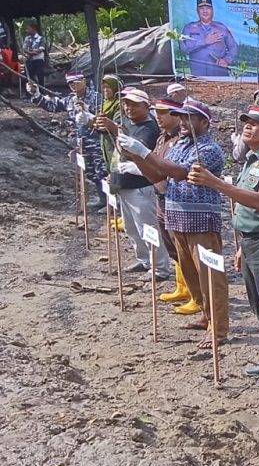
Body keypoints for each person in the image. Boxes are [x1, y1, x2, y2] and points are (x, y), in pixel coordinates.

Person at [188, 104, 259, 389]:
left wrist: (215, 183)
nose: (247, 127)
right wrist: (240, 246)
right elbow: (245, 211)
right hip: (252, 241)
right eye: (246, 122)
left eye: (255, 123)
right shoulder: (253, 159)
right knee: (258, 304)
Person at [119, 99, 229, 350]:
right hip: (176, 217)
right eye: (181, 117)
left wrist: (143, 152)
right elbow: (159, 175)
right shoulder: (180, 144)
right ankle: (205, 314)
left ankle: (219, 328)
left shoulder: (208, 149)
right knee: (191, 274)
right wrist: (137, 157)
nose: (183, 122)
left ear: (204, 122)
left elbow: (180, 173)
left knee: (210, 277)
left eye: (190, 118)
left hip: (200, 221)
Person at [95, 88, 171, 280]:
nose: (129, 108)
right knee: (131, 227)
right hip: (125, 185)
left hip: (141, 186)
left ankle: (160, 269)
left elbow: (135, 151)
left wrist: (113, 128)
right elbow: (118, 153)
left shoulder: (149, 128)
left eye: (134, 104)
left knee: (148, 229)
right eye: (126, 104)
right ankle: (145, 260)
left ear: (146, 106)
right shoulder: (128, 123)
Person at [27, 73, 106, 209]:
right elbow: (51, 106)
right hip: (82, 142)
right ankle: (102, 200)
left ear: (84, 81)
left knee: (103, 172)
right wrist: (36, 94)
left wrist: (88, 114)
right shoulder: (70, 100)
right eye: (71, 83)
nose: (74, 85)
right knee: (91, 172)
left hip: (98, 141)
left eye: (77, 82)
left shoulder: (97, 98)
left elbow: (105, 117)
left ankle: (111, 204)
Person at [149, 97, 194, 311]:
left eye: (163, 112)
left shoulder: (182, 141)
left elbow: (172, 169)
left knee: (184, 248)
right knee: (173, 247)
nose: (158, 117)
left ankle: (196, 293)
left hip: (176, 199)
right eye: (156, 112)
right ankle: (182, 287)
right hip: (161, 197)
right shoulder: (162, 138)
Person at [180, 0, 239, 78]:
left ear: (212, 10)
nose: (205, 11)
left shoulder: (222, 28)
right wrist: (204, 41)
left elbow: (233, 47)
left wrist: (227, 60)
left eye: (208, 8)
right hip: (198, 76)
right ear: (197, 11)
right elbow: (183, 47)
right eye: (201, 8)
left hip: (219, 74)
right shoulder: (189, 28)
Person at [21, 20, 47, 87]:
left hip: (38, 60)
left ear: (33, 29)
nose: (27, 30)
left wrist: (30, 53)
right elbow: (24, 48)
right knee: (27, 76)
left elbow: (41, 49)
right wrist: (30, 53)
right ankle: (29, 91)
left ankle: (42, 91)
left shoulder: (40, 38)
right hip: (30, 60)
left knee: (40, 76)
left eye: (28, 29)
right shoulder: (27, 39)